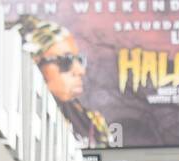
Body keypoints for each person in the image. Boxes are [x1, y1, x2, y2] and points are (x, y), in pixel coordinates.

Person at [14, 16, 109, 148]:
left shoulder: (91, 122)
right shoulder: (17, 116)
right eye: (66, 60)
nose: (80, 70)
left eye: (79, 59)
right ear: (34, 62)